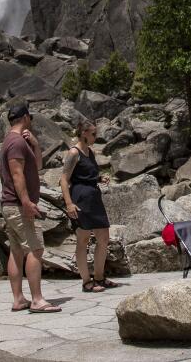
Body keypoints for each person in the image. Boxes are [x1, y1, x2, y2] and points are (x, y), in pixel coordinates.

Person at [0, 102, 60, 313]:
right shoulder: (15, 142)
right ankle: (37, 300)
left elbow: (38, 166)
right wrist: (26, 202)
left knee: (16, 250)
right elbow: (17, 174)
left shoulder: (13, 141)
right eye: (30, 118)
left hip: (10, 205)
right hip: (17, 205)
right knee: (36, 248)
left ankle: (19, 299)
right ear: (25, 117)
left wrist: (35, 145)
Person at [60, 120, 121, 293]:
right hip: (80, 199)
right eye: (93, 133)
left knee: (103, 238)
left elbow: (86, 174)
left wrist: (99, 178)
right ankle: (86, 281)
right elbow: (64, 179)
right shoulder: (74, 152)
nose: (96, 136)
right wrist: (69, 203)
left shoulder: (90, 152)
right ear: (84, 133)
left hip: (94, 198)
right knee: (83, 240)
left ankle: (100, 277)